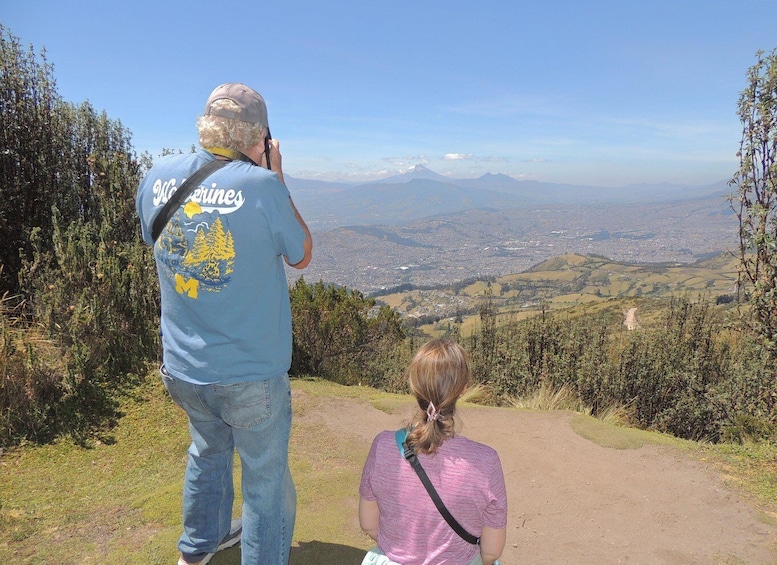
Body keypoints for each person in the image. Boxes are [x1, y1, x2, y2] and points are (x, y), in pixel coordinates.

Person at [136, 82, 312, 565]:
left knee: (207, 451)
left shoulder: (155, 176)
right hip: (250, 370)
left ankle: (197, 548)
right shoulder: (260, 186)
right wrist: (276, 177)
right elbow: (301, 254)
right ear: (260, 135)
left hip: (184, 367)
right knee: (264, 480)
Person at [358, 339, 508, 565]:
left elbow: (368, 523)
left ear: (414, 386)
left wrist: (402, 552)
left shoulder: (383, 446)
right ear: (463, 388)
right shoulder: (486, 461)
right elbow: (491, 551)